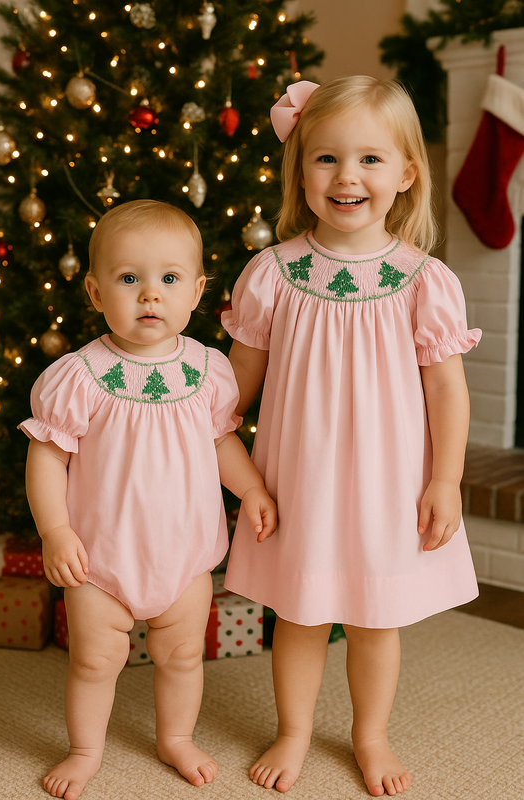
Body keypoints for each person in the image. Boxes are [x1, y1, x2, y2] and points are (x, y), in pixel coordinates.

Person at [221, 76, 481, 797]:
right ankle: (293, 730)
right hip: (297, 479)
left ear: (405, 174)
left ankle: (369, 734)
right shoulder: (270, 274)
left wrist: (443, 478)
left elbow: (445, 389)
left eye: (370, 159)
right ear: (299, 169)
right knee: (298, 617)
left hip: (386, 482)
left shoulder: (422, 281)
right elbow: (236, 385)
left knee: (374, 621)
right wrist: (206, 443)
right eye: (326, 158)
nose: (346, 176)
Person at [19, 199, 277, 800]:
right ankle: (84, 749)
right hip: (98, 558)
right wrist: (56, 531)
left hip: (183, 554)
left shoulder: (207, 371)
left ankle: (176, 738)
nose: (150, 295)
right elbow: (47, 456)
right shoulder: (81, 375)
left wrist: (253, 487)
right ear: (94, 291)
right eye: (129, 279)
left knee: (183, 655)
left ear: (196, 291)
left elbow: (222, 442)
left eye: (168, 279)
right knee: (94, 661)